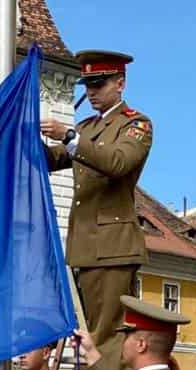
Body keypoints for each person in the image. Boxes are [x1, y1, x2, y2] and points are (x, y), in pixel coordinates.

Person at [41, 51, 152, 351]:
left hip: (113, 248)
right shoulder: (88, 128)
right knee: (86, 338)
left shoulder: (136, 124)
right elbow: (51, 160)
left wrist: (69, 136)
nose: (91, 92)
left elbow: (118, 162)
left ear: (120, 84)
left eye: (99, 84)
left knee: (106, 339)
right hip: (84, 248)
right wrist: (26, 134)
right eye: (88, 85)